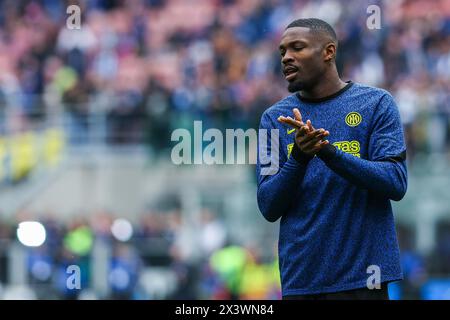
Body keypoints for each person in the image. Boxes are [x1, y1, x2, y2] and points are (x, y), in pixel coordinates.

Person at [256, 18, 408, 300]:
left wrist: (329, 153)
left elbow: (395, 182)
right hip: (303, 282)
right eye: (282, 52)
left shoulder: (376, 104)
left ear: (329, 52)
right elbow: (268, 205)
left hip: (365, 280)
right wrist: (299, 156)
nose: (287, 57)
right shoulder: (275, 119)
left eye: (297, 48)